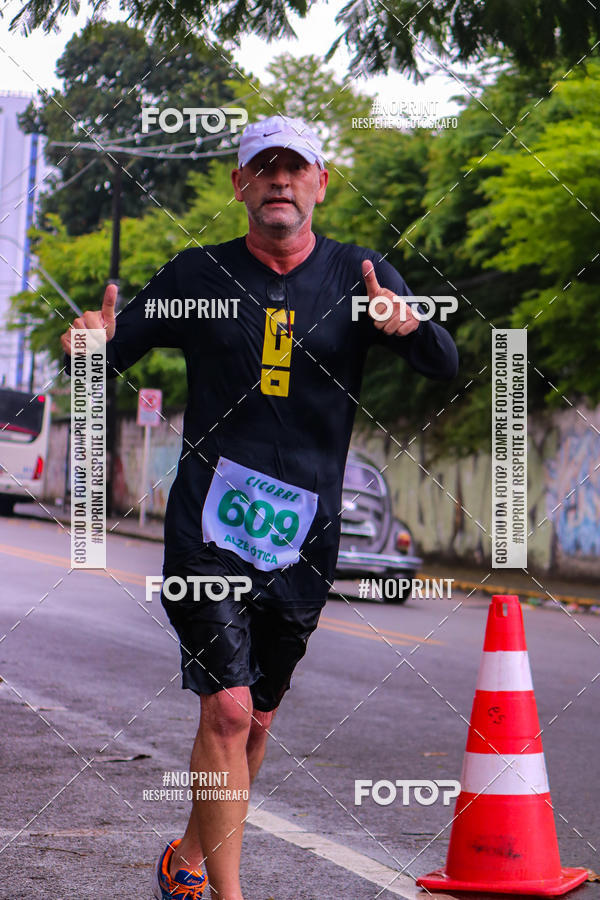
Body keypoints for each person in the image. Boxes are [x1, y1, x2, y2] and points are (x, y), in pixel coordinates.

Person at [61, 114, 458, 900]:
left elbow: (442, 364)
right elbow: (100, 356)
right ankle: (230, 895)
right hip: (207, 525)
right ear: (240, 185)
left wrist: (409, 326)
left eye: (296, 167)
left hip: (306, 534)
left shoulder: (361, 275)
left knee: (259, 718)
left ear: (321, 182)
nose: (281, 179)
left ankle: (187, 858)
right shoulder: (196, 276)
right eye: (263, 168)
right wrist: (87, 348)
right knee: (231, 711)